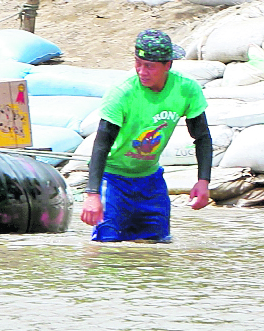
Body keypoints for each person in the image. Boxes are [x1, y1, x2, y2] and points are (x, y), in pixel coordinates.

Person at [80, 30, 212, 242]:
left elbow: (202, 138)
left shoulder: (186, 89)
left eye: (149, 66)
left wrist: (203, 181)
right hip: (113, 179)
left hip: (150, 181)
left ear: (168, 65)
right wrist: (92, 194)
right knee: (106, 246)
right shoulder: (122, 93)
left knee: (157, 246)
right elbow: (101, 145)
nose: (142, 71)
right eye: (138, 63)